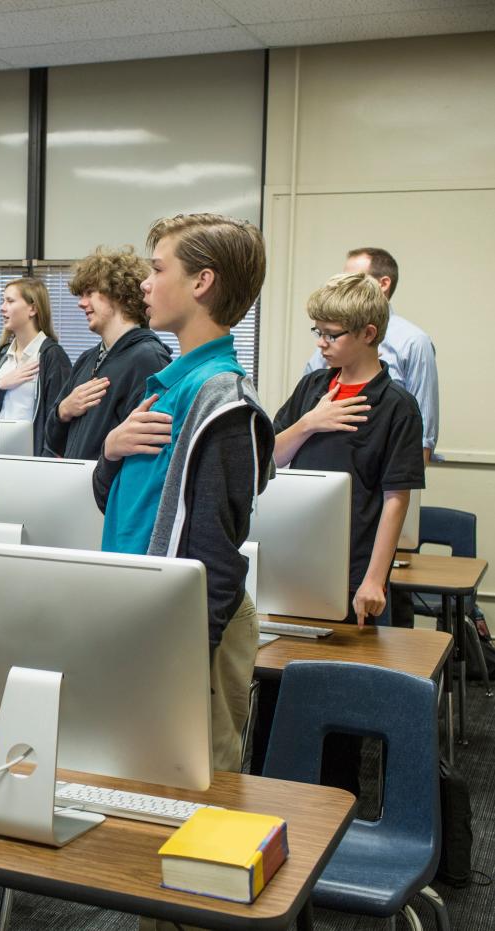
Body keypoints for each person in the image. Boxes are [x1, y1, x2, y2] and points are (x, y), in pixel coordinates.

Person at [93, 214, 274, 787]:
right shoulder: (169, 384)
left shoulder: (222, 398)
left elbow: (217, 549)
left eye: (157, 269)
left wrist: (186, 653)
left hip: (190, 630)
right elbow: (112, 501)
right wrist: (111, 450)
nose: (144, 284)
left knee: (200, 790)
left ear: (201, 283)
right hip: (141, 614)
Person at [273, 272, 424, 627]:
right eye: (318, 332)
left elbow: (395, 499)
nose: (321, 343)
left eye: (331, 334)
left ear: (368, 334)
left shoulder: (396, 406)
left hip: (354, 564)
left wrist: (374, 579)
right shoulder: (312, 388)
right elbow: (271, 457)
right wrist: (309, 422)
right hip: (295, 553)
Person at [303, 247, 438, 464]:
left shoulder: (413, 342)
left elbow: (422, 434)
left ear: (383, 284)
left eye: (356, 277)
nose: (345, 285)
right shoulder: (326, 349)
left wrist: (409, 490)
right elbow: (303, 415)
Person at [44, 247, 171, 460]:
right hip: (78, 489)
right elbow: (53, 442)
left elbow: (150, 454)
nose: (81, 303)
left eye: (89, 293)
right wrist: (63, 411)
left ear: (117, 292)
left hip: (110, 492)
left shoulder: (148, 360)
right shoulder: (88, 359)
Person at [0, 276, 70, 456]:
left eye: (10, 301)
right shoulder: (1, 356)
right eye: (3, 301)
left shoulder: (52, 357)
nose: (2, 308)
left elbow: (57, 421)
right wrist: (0, 385)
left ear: (33, 308)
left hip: (32, 462)